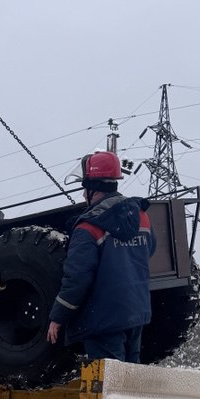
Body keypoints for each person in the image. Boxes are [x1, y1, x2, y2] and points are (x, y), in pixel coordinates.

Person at [46, 150, 155, 363]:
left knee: (108, 385)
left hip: (103, 319)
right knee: (129, 381)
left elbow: (76, 279)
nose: (83, 195)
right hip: (135, 313)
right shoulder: (142, 217)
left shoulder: (88, 228)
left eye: (84, 189)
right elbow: (148, 251)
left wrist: (57, 318)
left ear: (92, 188)